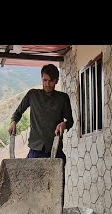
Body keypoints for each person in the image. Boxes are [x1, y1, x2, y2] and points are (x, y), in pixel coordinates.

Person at [8, 64, 74, 205]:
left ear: (56, 80)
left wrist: (64, 124)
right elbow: (17, 113)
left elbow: (70, 120)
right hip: (35, 150)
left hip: (55, 150)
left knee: (56, 187)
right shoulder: (32, 95)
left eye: (50, 80)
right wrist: (13, 122)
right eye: (44, 80)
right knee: (34, 187)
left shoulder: (63, 98)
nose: (47, 84)